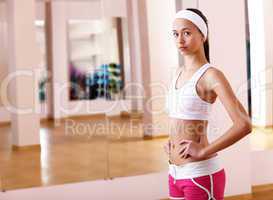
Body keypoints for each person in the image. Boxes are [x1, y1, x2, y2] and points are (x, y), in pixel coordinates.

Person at [164, 8, 252, 200]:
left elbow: (244, 124)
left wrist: (203, 150)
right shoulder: (177, 74)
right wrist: (171, 142)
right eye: (175, 34)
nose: (180, 40)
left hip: (200, 174)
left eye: (187, 33)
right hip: (174, 174)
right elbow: (180, 120)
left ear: (203, 35)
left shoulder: (211, 75)